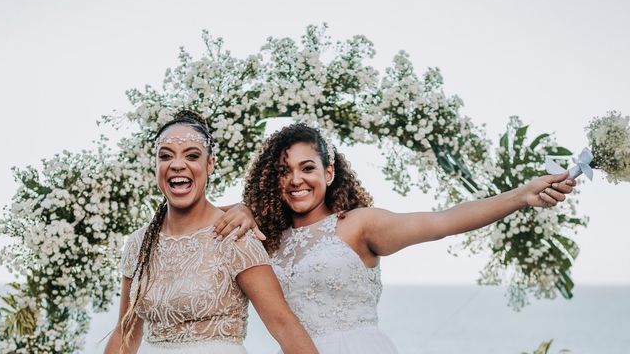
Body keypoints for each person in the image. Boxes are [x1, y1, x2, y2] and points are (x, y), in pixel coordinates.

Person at [213, 123, 575, 353]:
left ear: (329, 171)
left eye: (307, 168)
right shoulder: (266, 237)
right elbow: (203, 224)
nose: (296, 180)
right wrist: (244, 208)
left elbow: (443, 221)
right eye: (283, 171)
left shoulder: (358, 225)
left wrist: (522, 195)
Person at [104, 111, 318, 354]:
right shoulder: (138, 243)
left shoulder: (234, 236)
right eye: (165, 156)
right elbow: (125, 332)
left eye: (192, 156)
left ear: (210, 164)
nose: (176, 165)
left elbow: (283, 325)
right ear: (156, 165)